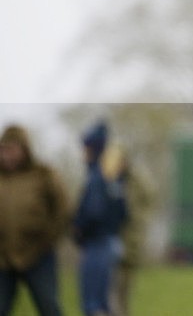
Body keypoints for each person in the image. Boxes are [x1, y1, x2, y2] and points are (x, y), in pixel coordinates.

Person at [0, 124, 70, 316]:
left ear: (25, 149)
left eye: (12, 149)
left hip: (39, 255)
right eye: (3, 150)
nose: (7, 155)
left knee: (49, 306)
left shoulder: (43, 175)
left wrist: (48, 240)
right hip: (4, 257)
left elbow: (63, 210)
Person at [73, 121, 128, 316]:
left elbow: (93, 212)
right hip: (111, 241)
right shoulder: (113, 177)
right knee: (105, 300)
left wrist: (79, 229)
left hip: (96, 244)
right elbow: (123, 212)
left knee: (93, 303)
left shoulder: (97, 177)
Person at [102, 141, 153, 316]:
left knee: (124, 289)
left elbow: (148, 202)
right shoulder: (105, 180)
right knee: (109, 288)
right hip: (108, 240)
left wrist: (137, 220)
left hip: (130, 241)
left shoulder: (137, 180)